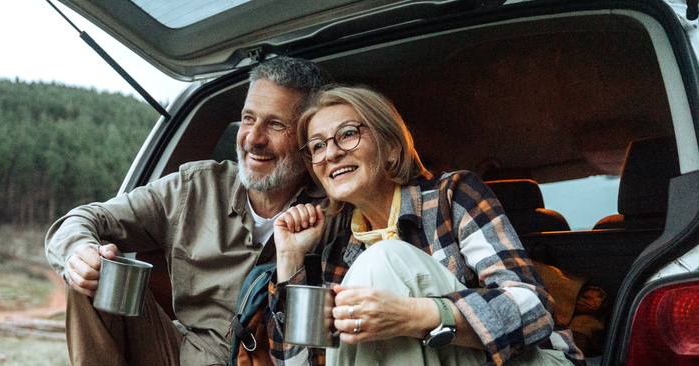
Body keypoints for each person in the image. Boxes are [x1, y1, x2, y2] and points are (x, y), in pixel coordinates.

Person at [266, 86, 584, 366]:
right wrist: (289, 261)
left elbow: (534, 309)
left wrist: (411, 315)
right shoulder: (337, 252)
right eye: (317, 146)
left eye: (348, 133)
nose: (331, 153)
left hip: (533, 360)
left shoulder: (452, 196)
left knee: (382, 259)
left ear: (391, 145)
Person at [44, 56, 331, 366]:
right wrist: (79, 253)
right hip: (181, 354)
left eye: (275, 124)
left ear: (307, 137)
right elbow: (82, 219)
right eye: (248, 118)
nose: (253, 138)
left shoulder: (335, 211)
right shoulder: (195, 186)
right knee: (90, 275)